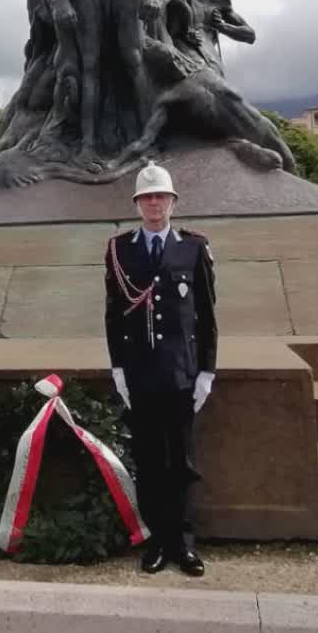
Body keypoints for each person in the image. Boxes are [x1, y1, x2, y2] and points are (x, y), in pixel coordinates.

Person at [104, 162, 217, 577]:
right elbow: (114, 315)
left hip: (182, 372)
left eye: (161, 197)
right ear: (138, 204)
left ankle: (184, 544)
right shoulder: (120, 249)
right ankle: (156, 541)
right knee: (150, 462)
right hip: (141, 373)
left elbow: (206, 315)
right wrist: (118, 367)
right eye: (147, 197)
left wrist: (206, 370)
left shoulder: (193, 247)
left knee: (183, 463)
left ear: (172, 202)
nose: (154, 204)